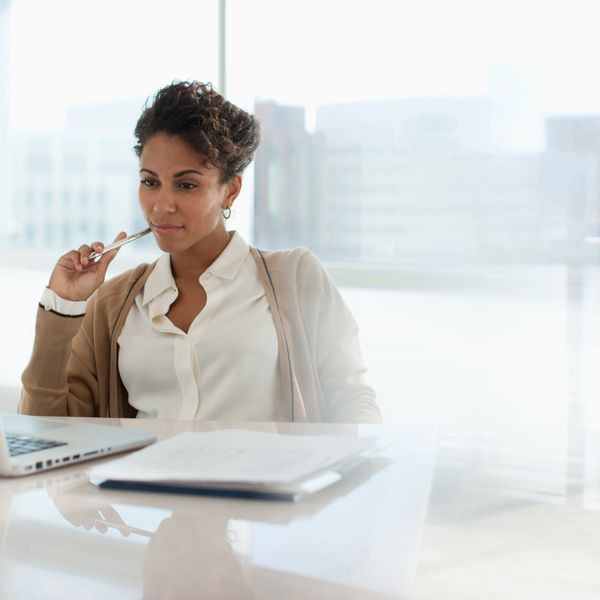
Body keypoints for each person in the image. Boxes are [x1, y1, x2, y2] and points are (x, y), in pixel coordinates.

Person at [18, 80, 381, 424]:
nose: (161, 205)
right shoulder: (114, 304)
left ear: (230, 191)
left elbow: (352, 400)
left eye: (186, 184)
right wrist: (63, 306)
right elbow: (47, 433)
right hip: (139, 490)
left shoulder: (296, 277)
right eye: (150, 182)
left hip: (261, 488)